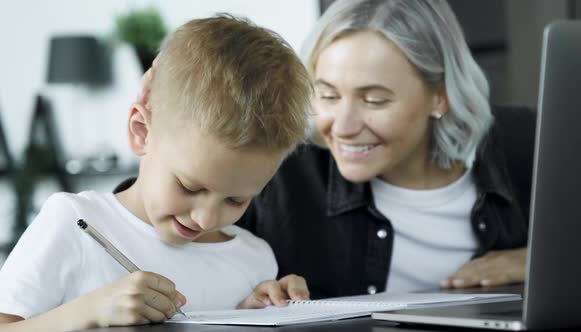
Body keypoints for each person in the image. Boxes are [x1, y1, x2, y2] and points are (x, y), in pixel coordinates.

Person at [0, 15, 312, 331]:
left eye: (235, 200)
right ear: (140, 132)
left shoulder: (254, 259)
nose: (205, 218)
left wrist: (251, 313)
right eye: (190, 187)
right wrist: (87, 312)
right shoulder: (74, 222)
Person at [237, 0, 536, 298]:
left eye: (374, 100)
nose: (343, 127)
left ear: (440, 97)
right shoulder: (277, 172)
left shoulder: (529, 145)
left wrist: (537, 259)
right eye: (328, 95)